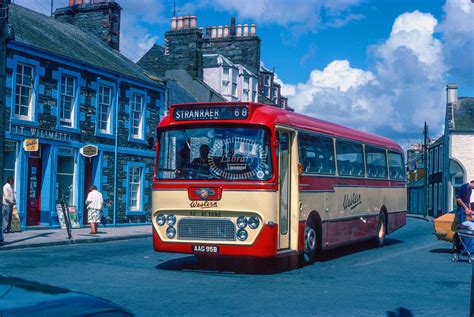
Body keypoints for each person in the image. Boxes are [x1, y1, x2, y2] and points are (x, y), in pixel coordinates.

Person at [456, 180, 474, 253]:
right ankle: (465, 250)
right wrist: (466, 208)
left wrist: (470, 210)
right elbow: (458, 199)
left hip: (465, 210)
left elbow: (468, 202)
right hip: (461, 210)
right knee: (465, 230)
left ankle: (467, 249)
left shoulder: (470, 189)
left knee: (469, 230)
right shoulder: (465, 186)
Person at [1, 177, 16, 245]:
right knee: (5, 217)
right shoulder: (6, 187)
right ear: (9, 180)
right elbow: (6, 197)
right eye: (12, 180)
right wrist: (11, 202)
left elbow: (12, 195)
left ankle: (8, 229)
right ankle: (4, 229)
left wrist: (14, 200)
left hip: (10, 204)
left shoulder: (11, 187)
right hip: (6, 204)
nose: (13, 182)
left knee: (9, 217)